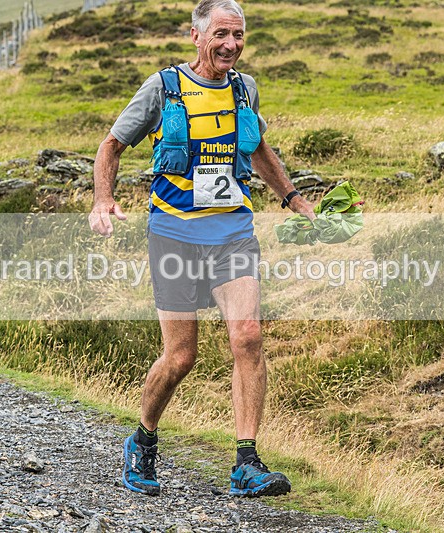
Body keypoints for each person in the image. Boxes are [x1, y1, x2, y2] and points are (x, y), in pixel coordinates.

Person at [88, 0, 315, 497]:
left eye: (239, 35)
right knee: (180, 356)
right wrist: (104, 198)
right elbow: (111, 145)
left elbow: (256, 149)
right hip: (174, 234)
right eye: (221, 35)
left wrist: (294, 199)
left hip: (232, 232)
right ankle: (143, 440)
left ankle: (246, 463)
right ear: (196, 36)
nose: (231, 45)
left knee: (248, 337)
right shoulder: (163, 87)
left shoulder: (244, 89)